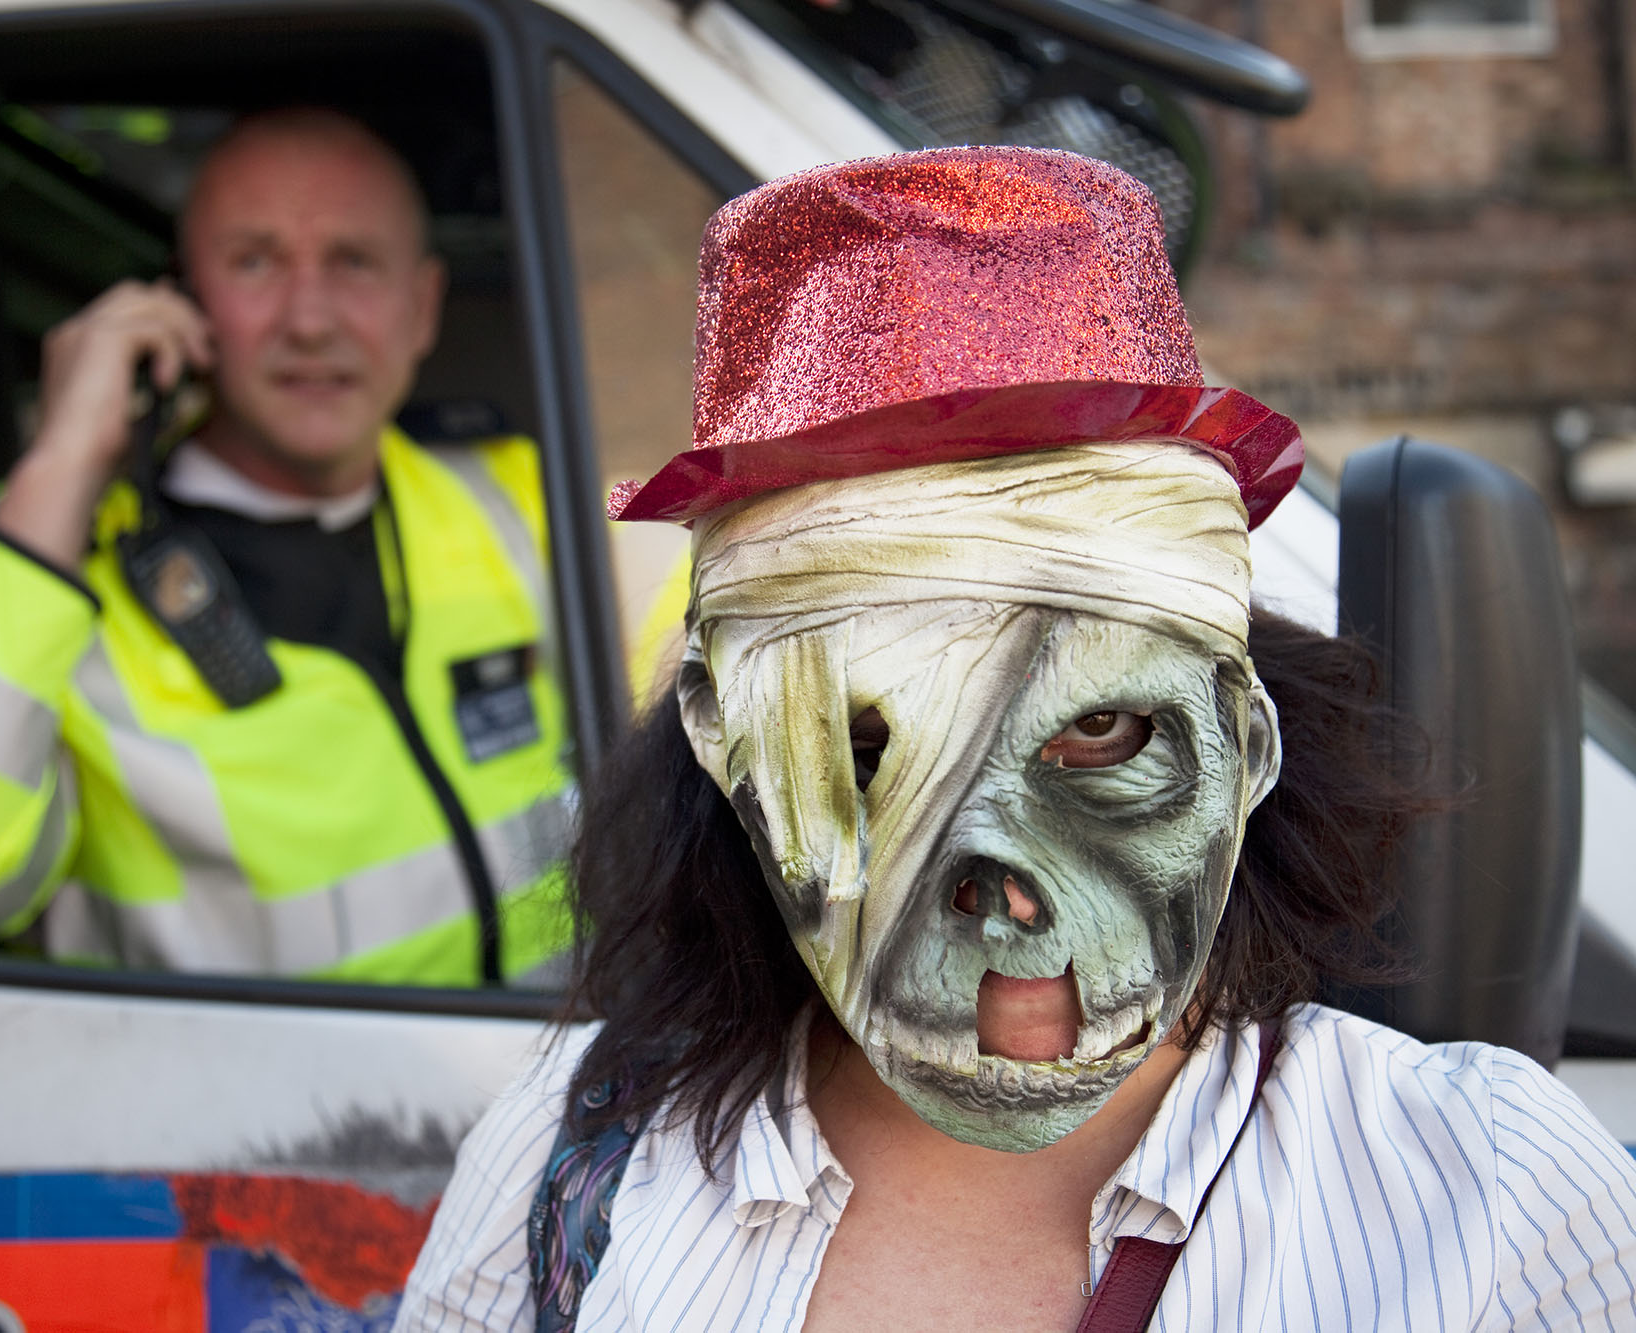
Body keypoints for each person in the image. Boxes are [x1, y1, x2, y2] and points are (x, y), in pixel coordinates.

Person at [396, 148, 1636, 1329]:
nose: (1006, 895)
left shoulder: (1491, 1200)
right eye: (865, 746)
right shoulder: (572, 1169)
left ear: (1245, 739)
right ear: (728, 750)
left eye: (1100, 730)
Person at [0, 108, 571, 986]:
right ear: (180, 303)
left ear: (422, 305)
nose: (310, 320)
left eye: (353, 261)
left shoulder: (524, 494)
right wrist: (60, 468)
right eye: (255, 262)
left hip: (553, 1099)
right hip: (256, 1124)